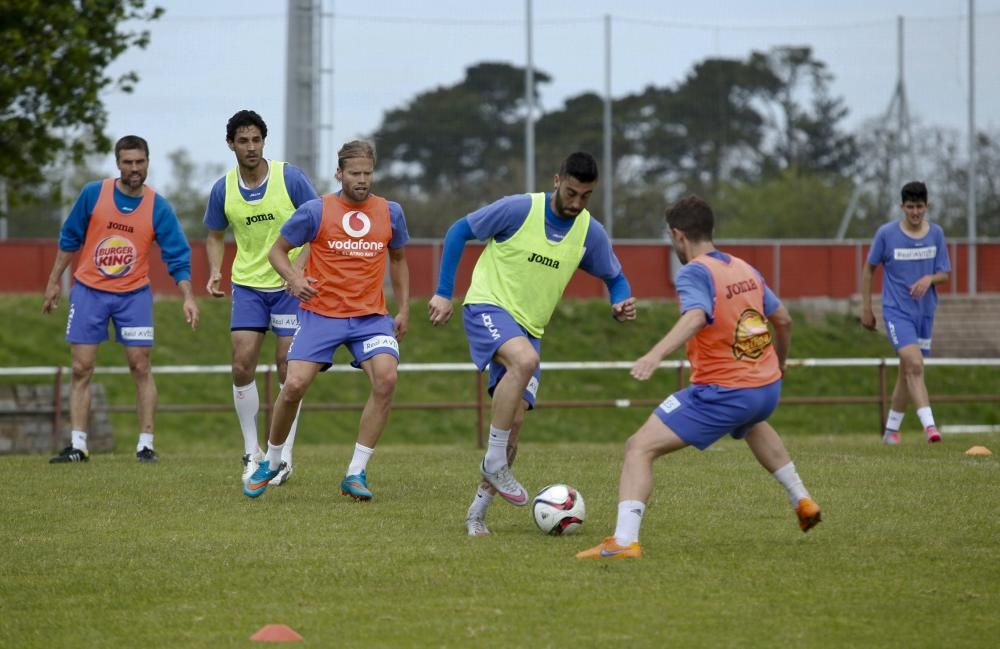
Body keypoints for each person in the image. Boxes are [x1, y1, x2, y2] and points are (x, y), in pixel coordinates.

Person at [577, 196, 820, 560]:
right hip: (765, 388)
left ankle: (624, 542)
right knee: (752, 423)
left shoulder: (694, 272)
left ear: (678, 235)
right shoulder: (744, 268)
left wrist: (654, 354)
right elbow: (783, 319)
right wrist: (778, 365)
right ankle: (802, 499)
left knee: (638, 448)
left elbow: (696, 315)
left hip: (723, 391)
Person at [428, 151, 637, 537]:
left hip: (530, 329)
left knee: (514, 424)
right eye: (571, 193)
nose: (576, 203)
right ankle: (492, 460)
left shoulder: (589, 231)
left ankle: (477, 514)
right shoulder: (519, 209)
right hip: (488, 306)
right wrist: (444, 292)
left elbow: (615, 276)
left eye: (585, 196)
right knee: (523, 362)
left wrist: (619, 301)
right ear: (557, 180)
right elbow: (459, 230)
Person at [243, 140, 410, 499]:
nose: (362, 180)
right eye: (354, 173)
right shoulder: (315, 211)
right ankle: (272, 461)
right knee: (294, 385)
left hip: (370, 317)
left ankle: (356, 473)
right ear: (339, 173)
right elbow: (278, 252)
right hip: (321, 314)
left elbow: (397, 259)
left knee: (386, 378)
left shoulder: (390, 212)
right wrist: (294, 278)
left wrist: (405, 308)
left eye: (367, 173)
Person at [42, 135, 199, 464]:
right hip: (89, 292)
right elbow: (70, 238)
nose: (134, 168)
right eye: (127, 162)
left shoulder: (158, 206)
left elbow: (178, 255)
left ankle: (145, 444)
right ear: (117, 164)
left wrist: (188, 297)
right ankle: (79, 445)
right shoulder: (93, 194)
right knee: (81, 368)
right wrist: (54, 281)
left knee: (140, 366)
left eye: (139, 162)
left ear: (147, 162)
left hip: (134, 296)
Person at [204, 110, 320, 486]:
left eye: (256, 140)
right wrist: (216, 271)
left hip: (289, 288)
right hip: (249, 286)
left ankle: (283, 455)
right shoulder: (224, 188)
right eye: (243, 141)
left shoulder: (290, 177)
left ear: (264, 142)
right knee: (241, 365)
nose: (251, 147)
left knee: (289, 367)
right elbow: (214, 234)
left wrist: (297, 270)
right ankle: (251, 452)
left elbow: (319, 223)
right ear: (231, 144)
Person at [861, 181, 951, 445]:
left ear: (927, 205)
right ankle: (930, 427)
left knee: (907, 371)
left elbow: (944, 274)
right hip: (896, 312)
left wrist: (929, 279)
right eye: (910, 207)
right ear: (902, 207)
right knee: (914, 365)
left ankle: (890, 432)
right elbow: (869, 270)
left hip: (925, 314)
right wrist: (866, 308)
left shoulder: (936, 234)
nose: (915, 212)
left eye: (919, 207)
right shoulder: (886, 234)